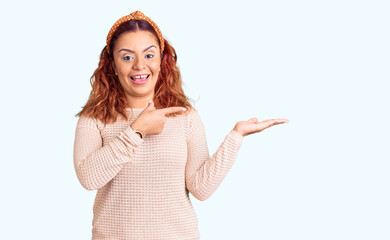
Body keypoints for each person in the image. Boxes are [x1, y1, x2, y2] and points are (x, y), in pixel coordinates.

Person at [73, 10, 289, 240]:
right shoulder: (94, 118)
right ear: (113, 66)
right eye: (127, 57)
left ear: (162, 60)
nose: (139, 65)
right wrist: (137, 131)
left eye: (149, 55)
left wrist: (236, 136)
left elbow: (201, 188)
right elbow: (89, 179)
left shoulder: (185, 117)